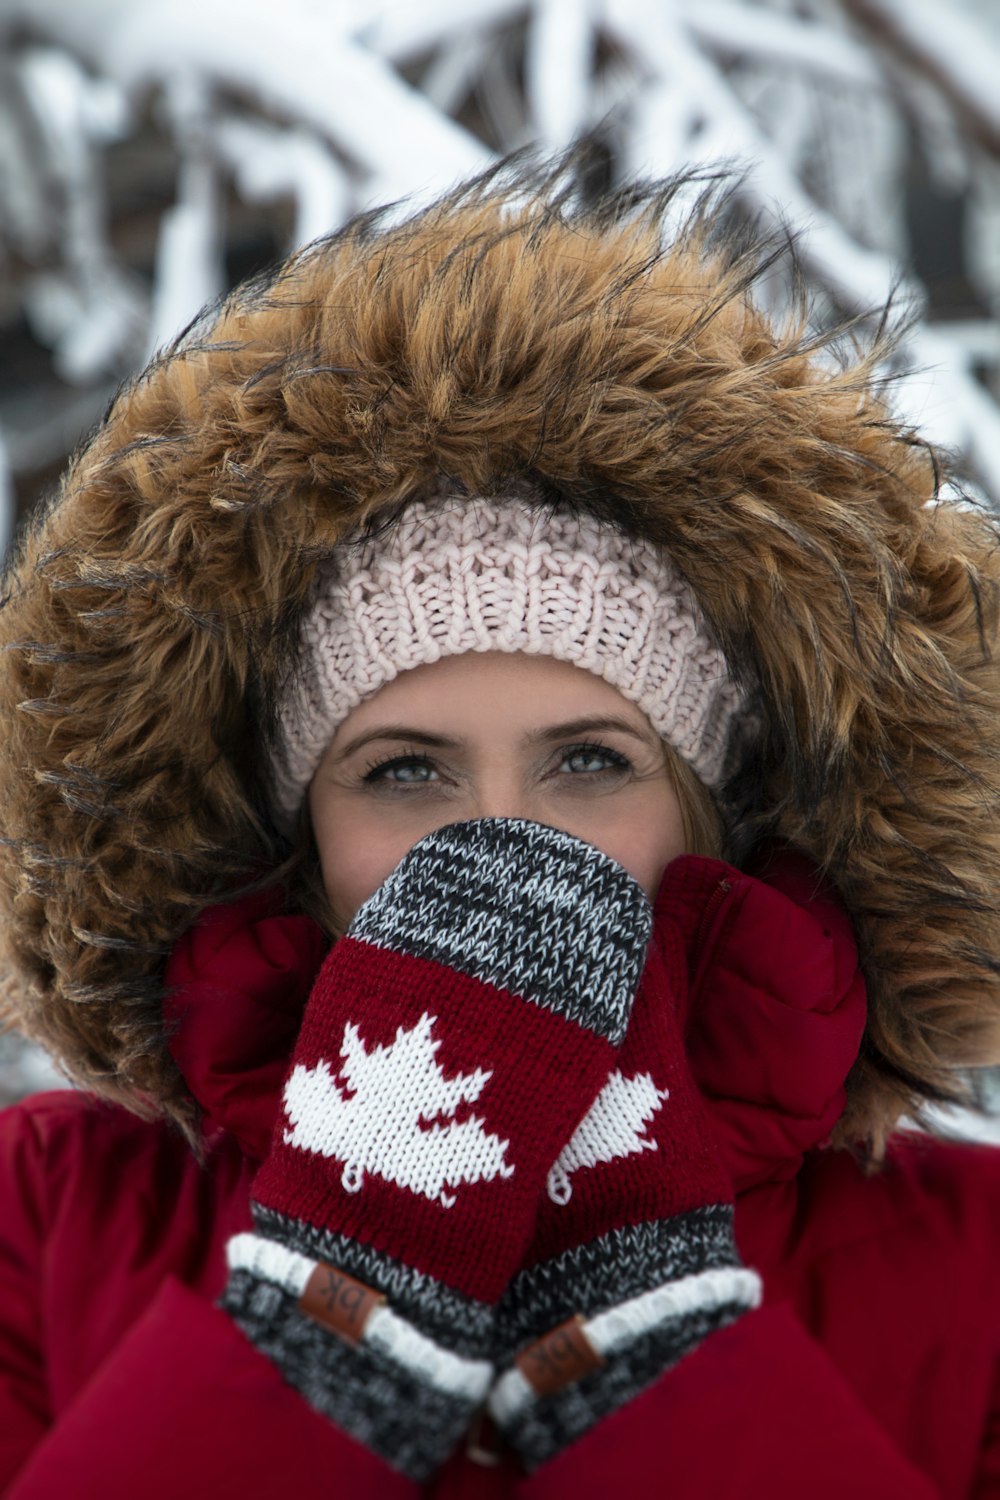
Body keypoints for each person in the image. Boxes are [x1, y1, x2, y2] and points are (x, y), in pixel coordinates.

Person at [0, 156, 998, 1498]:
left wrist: (645, 1340)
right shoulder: (51, 1212)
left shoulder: (973, 1266)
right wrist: (332, 1305)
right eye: (404, 771)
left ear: (711, 822)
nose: (499, 837)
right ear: (297, 841)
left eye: (589, 760)